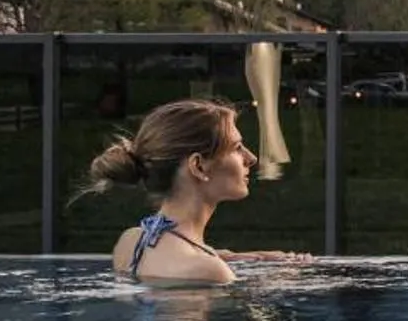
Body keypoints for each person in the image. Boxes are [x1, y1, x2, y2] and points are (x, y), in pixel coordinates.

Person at [81, 97, 311, 284]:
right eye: (237, 148)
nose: (250, 158)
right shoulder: (207, 271)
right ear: (198, 166)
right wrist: (274, 289)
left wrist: (246, 258)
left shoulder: (129, 243)